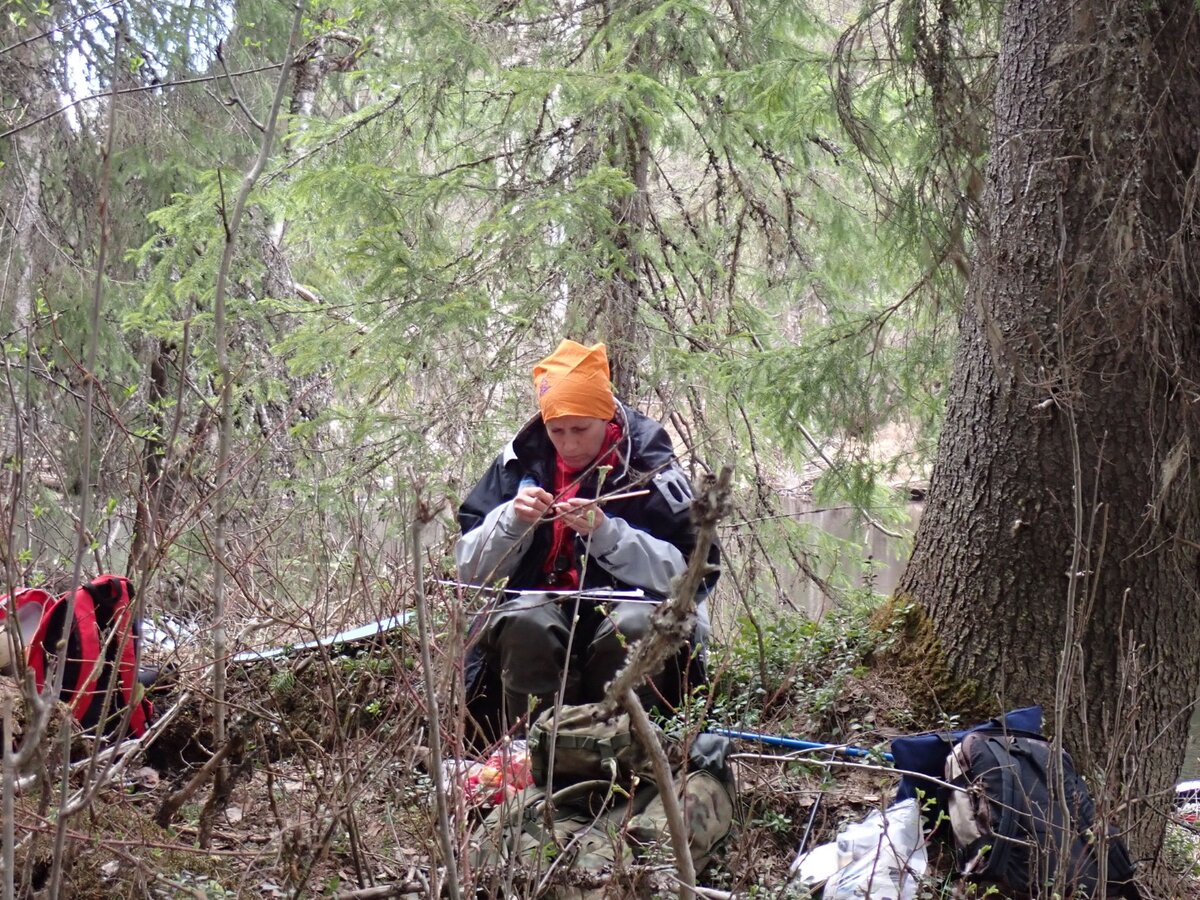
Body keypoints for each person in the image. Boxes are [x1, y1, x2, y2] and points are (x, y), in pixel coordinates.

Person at [456, 339, 719, 743]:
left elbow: (695, 575)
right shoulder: (520, 461)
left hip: (629, 602)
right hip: (542, 603)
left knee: (632, 624)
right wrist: (511, 521)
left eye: (581, 429)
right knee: (526, 620)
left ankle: (626, 752)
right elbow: (468, 571)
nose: (569, 443)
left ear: (607, 416)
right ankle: (535, 757)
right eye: (557, 430)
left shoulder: (649, 462)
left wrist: (606, 534)